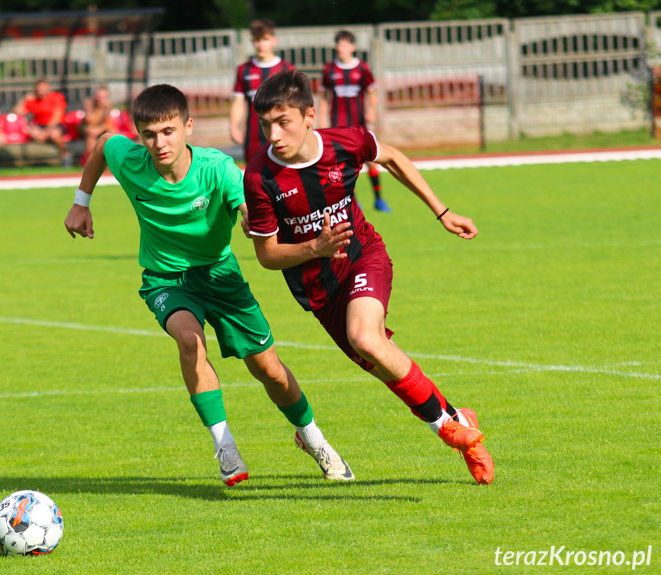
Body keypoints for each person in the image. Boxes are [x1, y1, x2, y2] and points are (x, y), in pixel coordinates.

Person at [64, 84, 354, 486]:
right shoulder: (130, 159)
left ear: (188, 127)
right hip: (166, 279)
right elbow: (101, 144)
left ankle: (312, 437)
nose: (158, 142)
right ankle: (225, 447)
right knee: (190, 340)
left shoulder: (216, 168)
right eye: (148, 134)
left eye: (168, 131)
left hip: (221, 276)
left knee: (268, 370)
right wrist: (81, 202)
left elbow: (245, 203)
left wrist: (248, 216)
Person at [243, 70, 494, 485]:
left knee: (366, 338)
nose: (274, 134)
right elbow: (267, 256)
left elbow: (392, 157)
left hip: (363, 256)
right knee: (379, 363)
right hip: (318, 290)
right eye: (266, 124)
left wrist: (442, 212)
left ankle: (451, 433)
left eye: (283, 121)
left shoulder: (346, 142)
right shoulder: (259, 177)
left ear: (310, 114)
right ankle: (454, 415)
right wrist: (314, 249)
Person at [320, 30, 390, 213]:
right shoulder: (329, 69)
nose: (340, 48)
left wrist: (372, 111)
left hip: (359, 124)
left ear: (352, 46)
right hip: (338, 125)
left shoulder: (362, 68)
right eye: (338, 44)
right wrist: (321, 117)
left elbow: (371, 93)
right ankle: (354, 202)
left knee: (370, 160)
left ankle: (379, 199)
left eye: (344, 44)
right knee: (345, 163)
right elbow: (324, 96)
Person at [230, 19, 294, 165]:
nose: (261, 44)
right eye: (257, 40)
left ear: (274, 41)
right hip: (253, 138)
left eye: (265, 39)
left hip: (282, 135)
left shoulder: (287, 69)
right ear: (253, 42)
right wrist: (234, 126)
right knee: (254, 181)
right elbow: (238, 101)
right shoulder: (244, 70)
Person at [16, 78, 70, 167]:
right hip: (40, 126)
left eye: (43, 89)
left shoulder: (56, 97)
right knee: (32, 133)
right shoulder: (33, 99)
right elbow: (17, 113)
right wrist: (24, 99)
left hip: (55, 125)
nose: (41, 92)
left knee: (54, 134)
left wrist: (46, 132)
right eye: (39, 90)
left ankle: (65, 154)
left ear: (48, 89)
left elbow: (56, 118)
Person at [82, 85, 115, 161]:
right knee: (90, 133)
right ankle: (91, 160)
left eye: (103, 97)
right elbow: (90, 121)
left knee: (112, 132)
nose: (100, 99)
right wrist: (100, 108)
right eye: (99, 96)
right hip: (86, 128)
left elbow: (109, 123)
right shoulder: (89, 103)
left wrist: (99, 129)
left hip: (99, 128)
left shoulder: (108, 105)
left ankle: (110, 159)